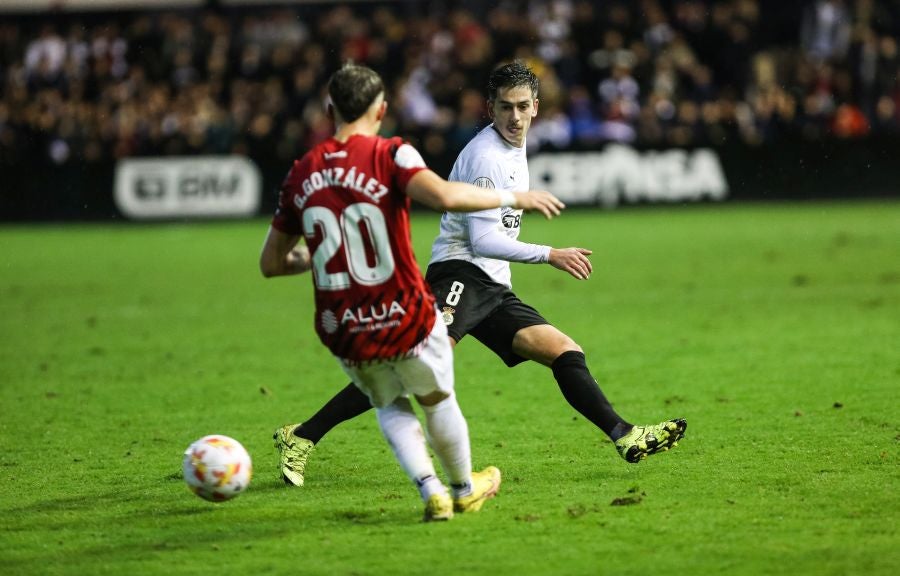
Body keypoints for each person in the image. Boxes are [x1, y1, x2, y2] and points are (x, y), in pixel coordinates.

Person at [273, 61, 686, 490]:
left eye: (522, 107)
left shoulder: (514, 147)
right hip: (460, 275)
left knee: (563, 350)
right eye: (505, 107)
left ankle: (623, 434)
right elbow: (484, 240)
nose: (515, 117)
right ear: (490, 108)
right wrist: (550, 254)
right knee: (412, 369)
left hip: (489, 285)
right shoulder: (487, 157)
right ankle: (303, 436)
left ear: (536, 107)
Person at [261, 63, 564, 521]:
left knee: (389, 398)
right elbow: (445, 197)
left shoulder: (302, 171)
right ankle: (460, 488)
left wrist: (315, 254)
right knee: (434, 394)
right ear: (382, 110)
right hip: (399, 305)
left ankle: (428, 488)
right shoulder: (392, 155)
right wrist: (514, 198)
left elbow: (271, 264)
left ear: (328, 110)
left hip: (339, 320)